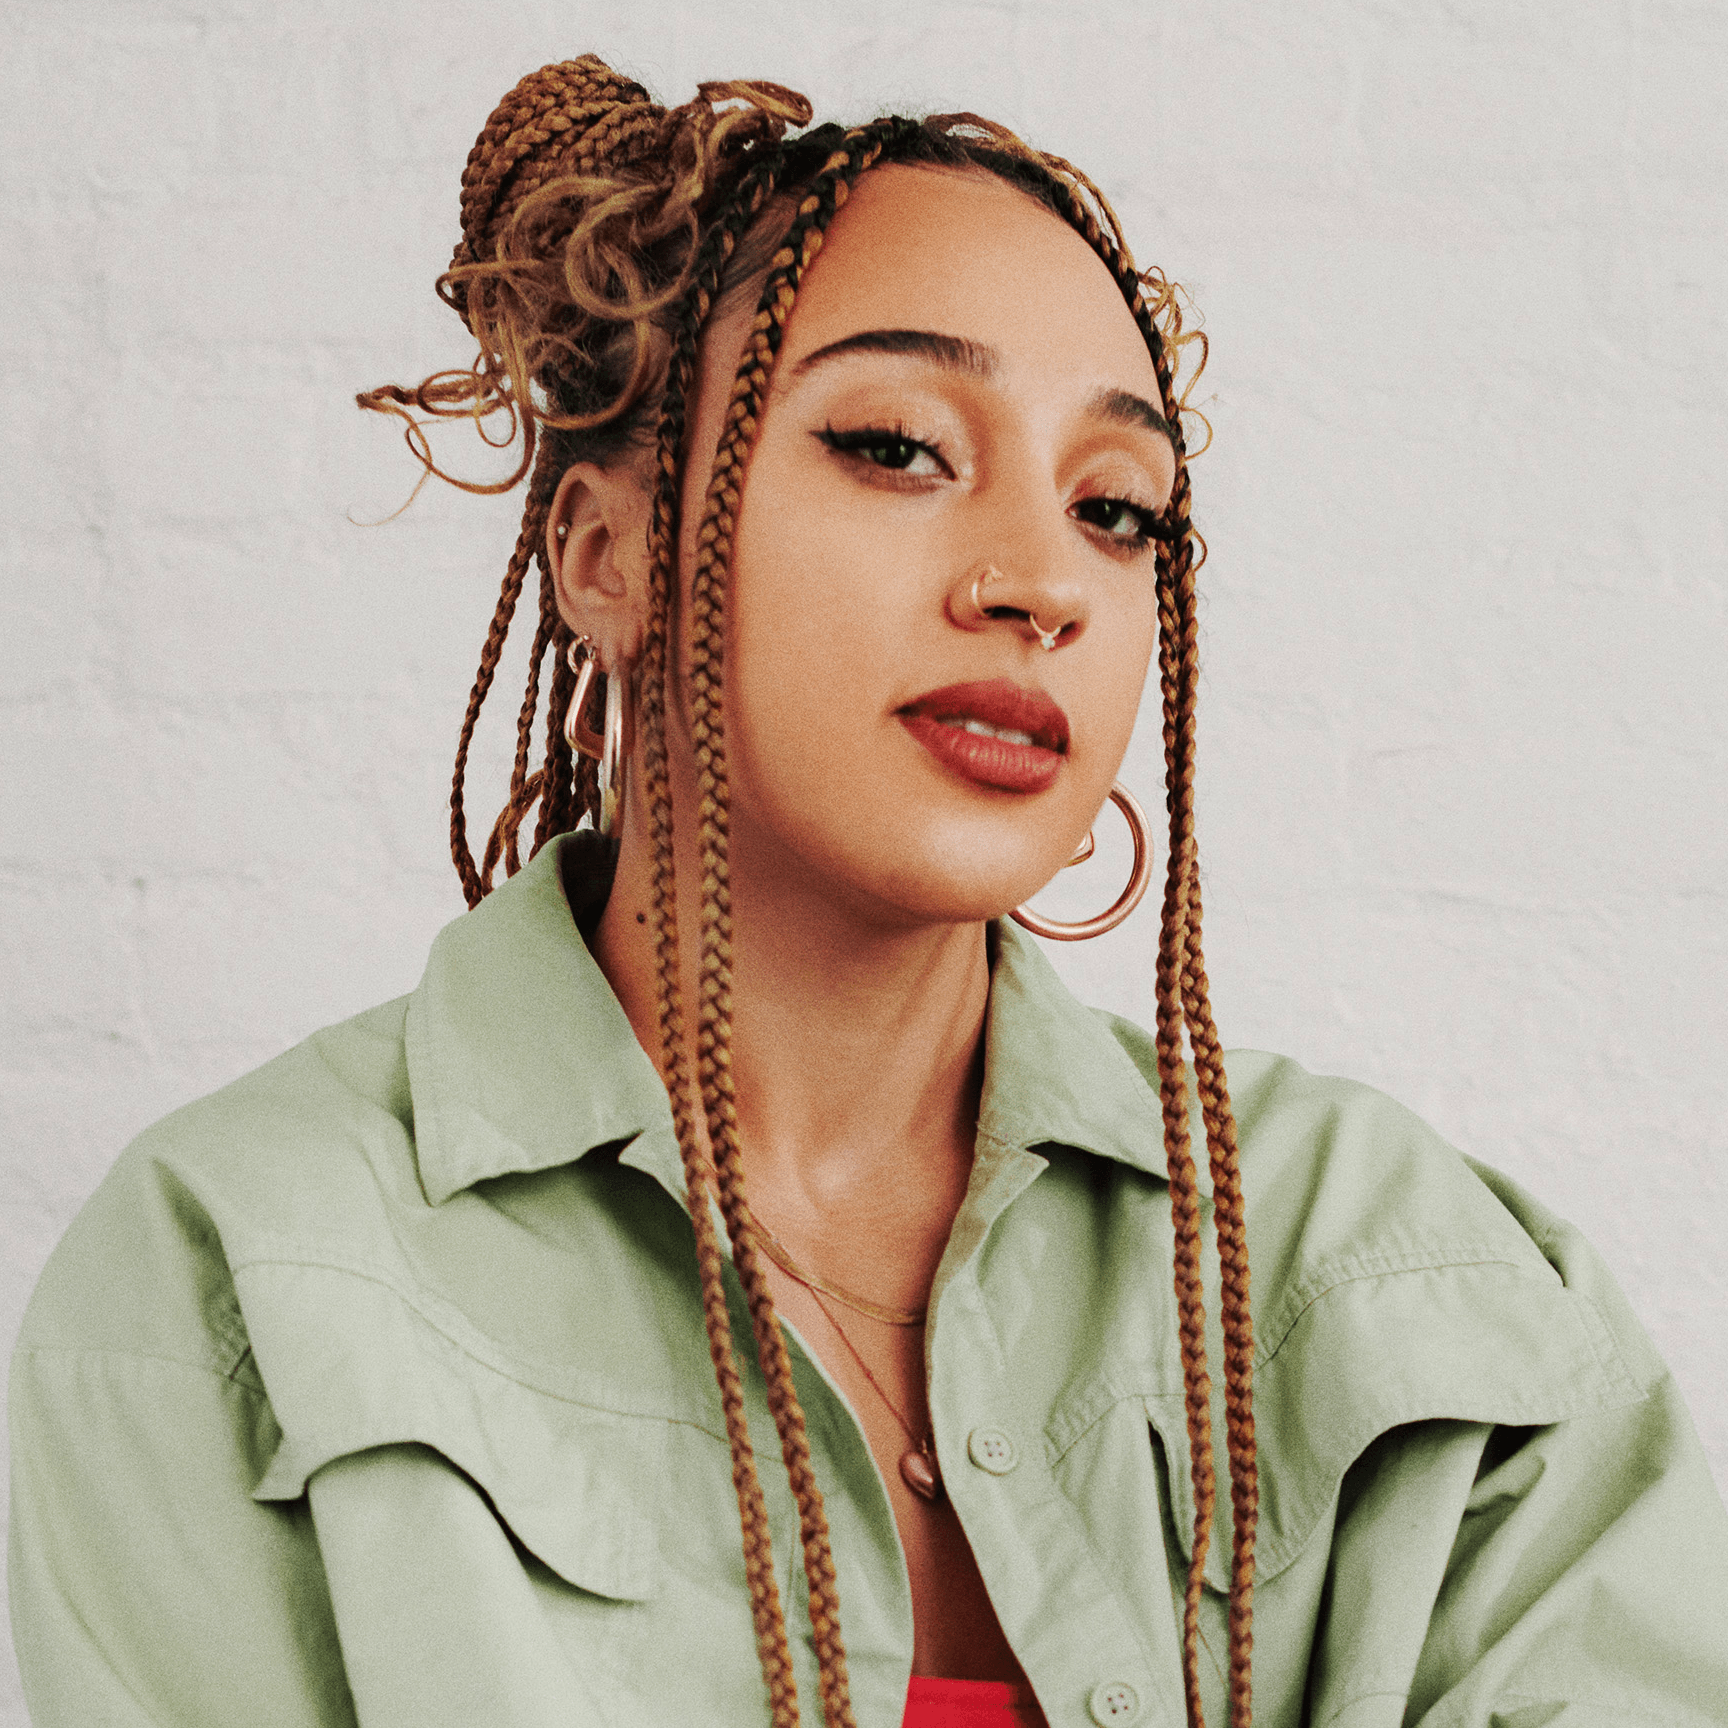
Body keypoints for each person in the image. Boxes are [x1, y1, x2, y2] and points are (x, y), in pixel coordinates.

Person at [9, 53, 1728, 1728]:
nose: (1040, 578)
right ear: (606, 553)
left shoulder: (1404, 1274)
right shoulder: (235, 1281)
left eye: (1119, 507)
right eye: (899, 445)